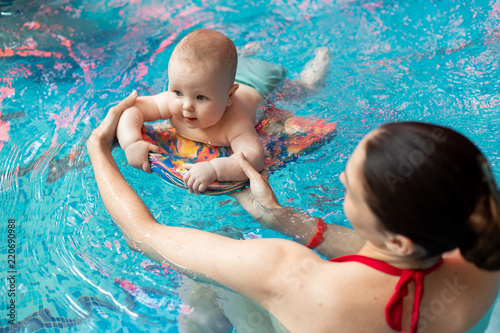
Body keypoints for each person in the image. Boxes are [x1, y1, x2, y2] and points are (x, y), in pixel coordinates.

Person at [88, 91, 500, 332]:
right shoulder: (481, 252)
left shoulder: (290, 275)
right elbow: (401, 262)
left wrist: (100, 151)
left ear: (397, 239)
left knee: (198, 288)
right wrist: (283, 219)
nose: (340, 178)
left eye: (352, 188)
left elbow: (143, 235)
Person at [116, 29, 287, 194]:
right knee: (221, 66)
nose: (186, 106)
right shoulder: (173, 100)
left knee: (303, 88)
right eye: (178, 92)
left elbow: (254, 157)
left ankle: (311, 74)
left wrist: (214, 169)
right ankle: (245, 53)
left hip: (261, 80)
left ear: (229, 97)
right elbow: (133, 108)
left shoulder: (235, 122)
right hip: (217, 76)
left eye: (200, 98)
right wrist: (132, 142)